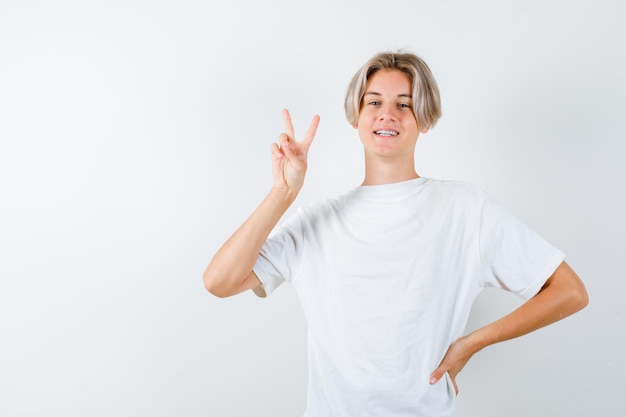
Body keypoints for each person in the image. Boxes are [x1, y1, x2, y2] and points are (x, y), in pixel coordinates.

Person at [203, 51, 588, 416]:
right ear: (356, 116)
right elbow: (219, 281)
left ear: (425, 117)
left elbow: (569, 291)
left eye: (404, 104)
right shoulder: (316, 221)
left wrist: (473, 343)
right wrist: (283, 193)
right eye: (374, 102)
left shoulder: (466, 210)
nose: (388, 114)